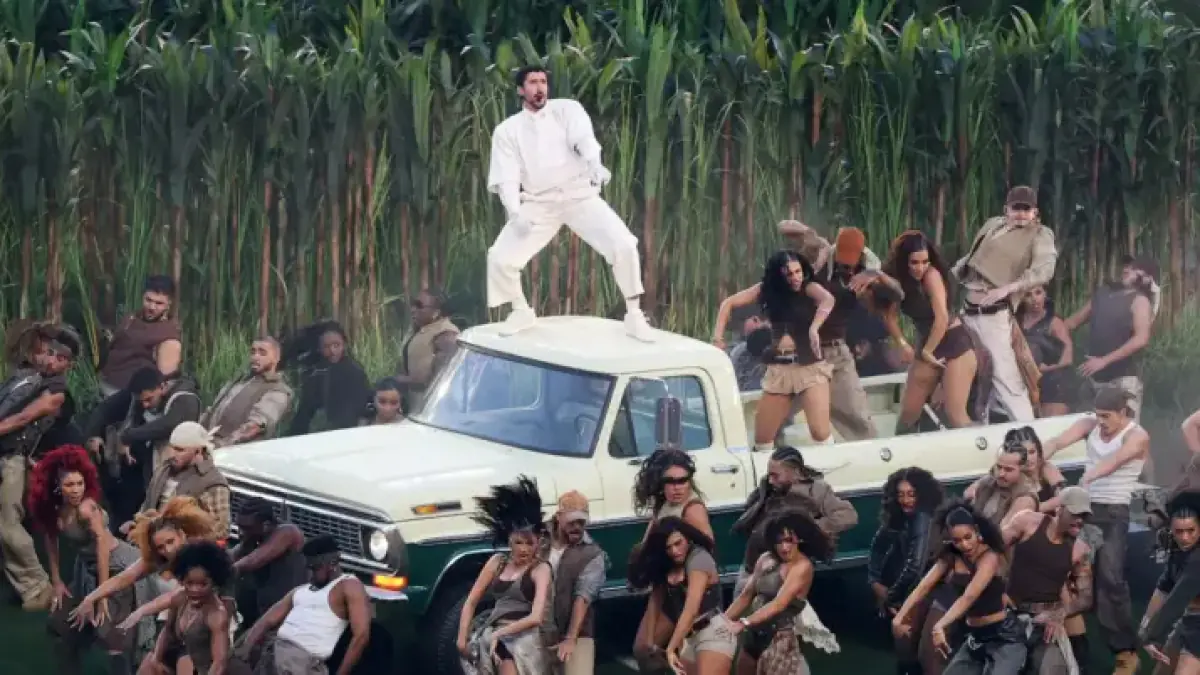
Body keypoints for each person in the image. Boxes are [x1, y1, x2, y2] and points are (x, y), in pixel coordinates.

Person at [485, 65, 653, 342]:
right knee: (500, 258)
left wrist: (595, 164)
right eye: (532, 82)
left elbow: (583, 139)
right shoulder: (507, 130)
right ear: (520, 90)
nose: (539, 87)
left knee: (623, 244)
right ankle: (520, 310)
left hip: (579, 195)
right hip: (539, 202)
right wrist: (515, 213)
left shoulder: (567, 109)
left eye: (543, 81)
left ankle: (634, 315)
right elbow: (507, 177)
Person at [1043, 385, 1151, 675]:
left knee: (1110, 579)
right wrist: (1040, 454)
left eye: (1106, 416)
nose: (1100, 421)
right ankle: (1073, 647)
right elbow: (1057, 441)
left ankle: (1126, 653)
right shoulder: (1089, 424)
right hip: (1083, 508)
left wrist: (1088, 476)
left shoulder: (1136, 435)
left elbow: (1114, 461)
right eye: (1097, 414)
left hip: (1113, 512)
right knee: (1067, 573)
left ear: (1122, 412)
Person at [73, 497, 222, 670]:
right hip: (175, 628)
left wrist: (141, 611)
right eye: (160, 547)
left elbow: (177, 596)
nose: (167, 550)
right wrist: (91, 598)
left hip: (204, 632)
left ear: (181, 535)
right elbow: (124, 577)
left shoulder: (199, 556)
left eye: (170, 542)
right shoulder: (159, 558)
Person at [30, 445, 142, 675]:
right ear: (57, 485)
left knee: (110, 632)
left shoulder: (87, 509)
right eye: (69, 484)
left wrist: (101, 595)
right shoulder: (54, 509)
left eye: (80, 483)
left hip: (116, 566)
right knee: (61, 623)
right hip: (87, 569)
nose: (76, 490)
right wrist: (57, 581)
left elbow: (102, 548)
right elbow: (51, 539)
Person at [952, 185, 1057, 423]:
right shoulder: (993, 224)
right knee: (975, 374)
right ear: (1006, 209)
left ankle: (1029, 431)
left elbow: (1044, 269)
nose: (1021, 214)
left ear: (1035, 212)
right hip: (968, 309)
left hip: (993, 314)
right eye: (1016, 208)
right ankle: (984, 426)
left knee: (1006, 378)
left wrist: (1009, 288)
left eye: (1026, 209)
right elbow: (973, 257)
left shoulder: (1039, 234)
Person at [712, 250, 837, 447]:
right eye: (789, 274)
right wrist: (717, 338)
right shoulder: (766, 290)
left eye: (798, 271)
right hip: (779, 368)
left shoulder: (809, 287)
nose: (796, 278)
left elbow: (828, 299)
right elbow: (729, 303)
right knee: (763, 438)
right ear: (779, 276)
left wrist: (815, 327)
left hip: (808, 366)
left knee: (820, 432)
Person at [0, 323, 80, 611]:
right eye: (50, 354)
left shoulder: (56, 390)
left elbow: (23, 418)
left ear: (69, 365)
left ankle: (38, 587)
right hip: (5, 454)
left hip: (14, 457)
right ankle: (26, 587)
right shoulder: (27, 376)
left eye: (61, 359)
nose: (52, 361)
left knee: (8, 524)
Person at [893, 500, 1025, 675]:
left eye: (968, 537)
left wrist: (940, 625)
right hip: (975, 638)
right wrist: (899, 617)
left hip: (1003, 636)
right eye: (957, 540)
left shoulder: (990, 556)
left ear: (976, 530)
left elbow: (969, 596)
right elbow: (923, 586)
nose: (964, 545)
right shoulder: (951, 556)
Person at [806, 227, 905, 441]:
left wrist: (877, 275)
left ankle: (873, 455)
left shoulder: (870, 267)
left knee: (859, 418)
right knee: (780, 416)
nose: (849, 269)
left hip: (836, 350)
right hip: (803, 351)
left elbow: (898, 294)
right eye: (844, 265)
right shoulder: (822, 260)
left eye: (852, 265)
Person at [877, 230, 981, 431]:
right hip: (926, 343)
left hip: (954, 343)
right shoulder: (899, 280)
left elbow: (942, 318)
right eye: (914, 262)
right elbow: (889, 317)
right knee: (907, 416)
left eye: (925, 261)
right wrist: (903, 344)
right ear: (904, 261)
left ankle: (988, 445)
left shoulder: (932, 275)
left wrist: (927, 351)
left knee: (956, 415)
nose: (920, 268)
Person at [234, 534, 373, 675]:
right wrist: (246, 649)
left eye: (314, 568)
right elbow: (267, 620)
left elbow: (361, 636)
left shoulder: (348, 585)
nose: (310, 575)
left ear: (332, 563)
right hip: (274, 651)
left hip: (301, 661)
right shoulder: (300, 591)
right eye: (308, 568)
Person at [456, 476, 553, 675]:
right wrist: (461, 638)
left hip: (524, 634)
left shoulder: (540, 569)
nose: (524, 549)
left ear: (538, 541)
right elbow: (471, 601)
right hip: (494, 629)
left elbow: (536, 617)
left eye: (530, 543)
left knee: (504, 651)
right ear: (509, 540)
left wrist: (500, 634)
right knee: (492, 648)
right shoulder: (497, 562)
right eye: (519, 542)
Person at [85, 366, 203, 528]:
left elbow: (168, 424)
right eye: (142, 401)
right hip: (140, 470)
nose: (145, 405)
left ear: (162, 387)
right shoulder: (138, 394)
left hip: (173, 475)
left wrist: (128, 436)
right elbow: (105, 409)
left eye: (149, 399)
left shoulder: (185, 398)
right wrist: (94, 435)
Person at [725, 508, 835, 675]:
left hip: (779, 639)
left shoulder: (802, 567)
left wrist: (744, 622)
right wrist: (722, 621)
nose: (784, 547)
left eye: (789, 540)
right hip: (753, 637)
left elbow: (779, 604)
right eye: (779, 541)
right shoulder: (765, 559)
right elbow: (746, 595)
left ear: (799, 538)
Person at [1001, 487, 1094, 675]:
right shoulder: (1027, 522)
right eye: (1075, 513)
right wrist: (998, 591)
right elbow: (992, 551)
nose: (1079, 520)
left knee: (1050, 669)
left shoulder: (1080, 550)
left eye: (1084, 515)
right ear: (1059, 509)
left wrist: (1059, 615)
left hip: (1046, 622)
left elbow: (1085, 598)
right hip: (1009, 614)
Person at [628, 517, 736, 675]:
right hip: (689, 637)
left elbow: (691, 609)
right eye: (668, 547)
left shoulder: (699, 558)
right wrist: (650, 644)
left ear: (687, 538)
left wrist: (671, 648)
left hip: (712, 631)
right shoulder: (667, 564)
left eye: (678, 543)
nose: (674, 551)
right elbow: (655, 602)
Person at [867, 467, 944, 674]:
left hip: (933, 589)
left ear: (923, 495)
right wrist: (874, 580)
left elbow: (915, 567)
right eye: (900, 494)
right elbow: (877, 547)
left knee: (917, 652)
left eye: (911, 494)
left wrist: (890, 597)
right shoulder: (899, 518)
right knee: (907, 649)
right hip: (913, 589)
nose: (905, 500)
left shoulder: (923, 518)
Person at [1063, 255, 1158, 420]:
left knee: (1123, 431)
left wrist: (1104, 361)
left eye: (1134, 268)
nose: (1127, 270)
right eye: (1127, 266)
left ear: (1147, 278)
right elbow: (1072, 322)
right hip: (1093, 378)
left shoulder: (1140, 301)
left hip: (1122, 380)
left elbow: (1141, 339)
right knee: (1090, 429)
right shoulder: (1102, 294)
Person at [139, 540, 233, 675]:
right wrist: (156, 659)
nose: (195, 590)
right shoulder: (180, 598)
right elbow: (168, 630)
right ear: (181, 580)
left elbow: (219, 663)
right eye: (190, 583)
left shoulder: (217, 614)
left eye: (203, 584)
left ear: (214, 582)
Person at [540, 491, 606, 675]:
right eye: (571, 522)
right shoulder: (539, 540)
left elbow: (583, 597)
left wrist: (570, 638)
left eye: (581, 522)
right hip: (537, 628)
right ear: (558, 517)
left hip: (577, 631)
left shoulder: (593, 554)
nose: (577, 527)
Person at [128, 422, 231, 539]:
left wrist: (185, 539)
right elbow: (148, 504)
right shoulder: (164, 470)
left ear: (198, 451)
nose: (172, 454)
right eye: (172, 447)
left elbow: (221, 529)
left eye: (180, 450)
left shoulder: (212, 483)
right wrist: (137, 524)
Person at [1139, 491, 1200, 674]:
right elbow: (1163, 588)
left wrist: (1151, 636)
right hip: (1189, 621)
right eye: (1179, 531)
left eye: (1191, 530)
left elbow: (1177, 599)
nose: (1185, 537)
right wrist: (1145, 627)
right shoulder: (1177, 552)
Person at [99, 275, 182, 398]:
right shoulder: (131, 318)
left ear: (169, 303)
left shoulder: (169, 337)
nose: (152, 307)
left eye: (159, 303)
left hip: (131, 397)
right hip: (106, 386)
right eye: (148, 300)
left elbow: (165, 382)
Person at [202, 336, 293, 448]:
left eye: (262, 353)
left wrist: (221, 444)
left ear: (276, 358)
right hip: (210, 444)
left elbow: (257, 425)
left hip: (240, 450)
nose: (255, 357)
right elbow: (213, 410)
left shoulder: (277, 390)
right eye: (253, 352)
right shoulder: (240, 381)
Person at [229, 499, 306, 629]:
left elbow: (252, 561)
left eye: (246, 528)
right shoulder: (254, 538)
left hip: (286, 617)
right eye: (239, 526)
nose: (240, 532)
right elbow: (229, 557)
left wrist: (225, 572)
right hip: (261, 614)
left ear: (266, 525)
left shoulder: (288, 532)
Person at [288, 322, 372, 435]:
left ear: (344, 345)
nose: (332, 351)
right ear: (319, 348)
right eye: (326, 347)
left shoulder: (354, 371)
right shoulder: (315, 373)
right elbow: (306, 410)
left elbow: (363, 406)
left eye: (336, 345)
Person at [394, 289, 460, 412]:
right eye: (413, 304)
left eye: (419, 306)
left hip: (432, 407)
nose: (413, 309)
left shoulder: (446, 334)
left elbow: (441, 377)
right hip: (412, 402)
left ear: (436, 312)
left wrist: (401, 380)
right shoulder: (422, 329)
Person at [1018, 284, 1077, 417]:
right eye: (1028, 295)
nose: (1034, 298)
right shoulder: (1016, 321)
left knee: (1050, 425)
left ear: (1045, 294)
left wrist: (1043, 369)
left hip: (1053, 382)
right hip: (1026, 383)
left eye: (1038, 293)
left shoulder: (1054, 322)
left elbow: (1068, 358)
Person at [632, 448, 713, 542]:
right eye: (670, 481)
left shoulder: (692, 510)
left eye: (682, 481)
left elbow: (707, 546)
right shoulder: (663, 502)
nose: (676, 487)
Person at [963, 433, 1040, 527]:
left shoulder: (1025, 499)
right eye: (999, 467)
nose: (1001, 474)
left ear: (1022, 468)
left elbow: (1003, 533)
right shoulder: (988, 482)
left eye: (1008, 469)